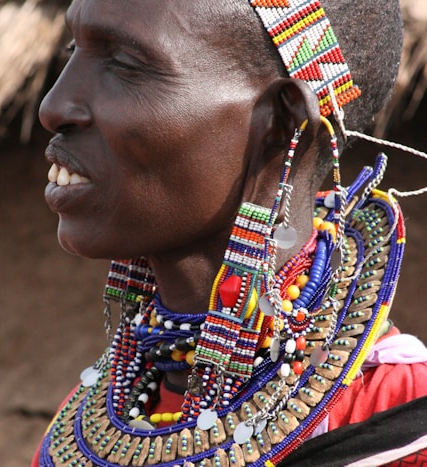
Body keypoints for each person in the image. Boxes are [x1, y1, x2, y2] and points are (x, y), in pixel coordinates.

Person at [34, 0, 427, 465]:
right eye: (71, 50)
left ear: (281, 125)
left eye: (123, 63)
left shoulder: (396, 420)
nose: (53, 107)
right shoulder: (87, 426)